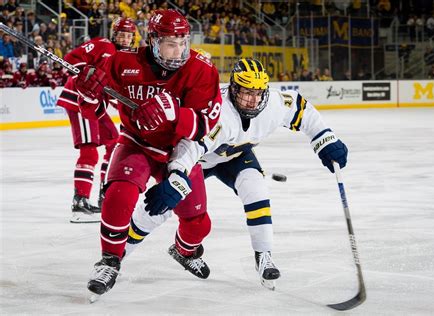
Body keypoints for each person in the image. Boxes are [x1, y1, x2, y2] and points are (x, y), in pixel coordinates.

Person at [125, 58, 348, 290]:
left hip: (235, 156)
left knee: (256, 188)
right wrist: (178, 175)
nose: (254, 99)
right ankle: (117, 253)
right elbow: (191, 145)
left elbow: (302, 109)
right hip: (198, 161)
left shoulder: (273, 104)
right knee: (162, 207)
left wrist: (324, 138)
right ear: (233, 88)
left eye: (258, 93)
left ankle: (264, 256)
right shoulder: (217, 109)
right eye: (247, 92)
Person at [74, 10, 222, 296]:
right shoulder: (123, 62)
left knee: (198, 221)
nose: (178, 50)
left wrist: (174, 113)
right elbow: (94, 110)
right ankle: (109, 260)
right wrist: (88, 94)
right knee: (119, 195)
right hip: (136, 143)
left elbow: (206, 125)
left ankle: (184, 251)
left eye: (183, 42)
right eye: (170, 42)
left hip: (179, 152)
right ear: (153, 40)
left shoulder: (202, 69)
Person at [56, 17, 137, 223]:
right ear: (114, 34)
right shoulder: (103, 45)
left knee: (113, 141)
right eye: (121, 34)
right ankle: (80, 202)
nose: (125, 39)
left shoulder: (125, 59)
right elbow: (71, 58)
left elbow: (116, 93)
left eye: (129, 35)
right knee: (89, 151)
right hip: (80, 99)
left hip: (95, 103)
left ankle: (105, 194)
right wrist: (86, 73)